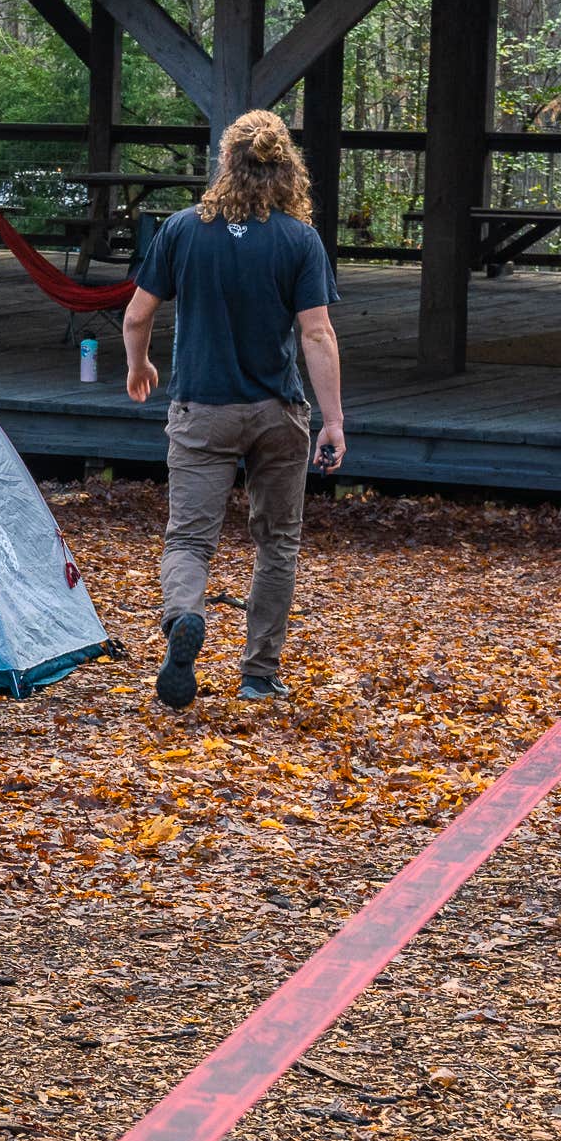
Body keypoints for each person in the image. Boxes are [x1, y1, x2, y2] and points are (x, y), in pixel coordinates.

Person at [123, 109, 345, 708]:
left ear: (227, 163)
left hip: (203, 410)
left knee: (190, 541)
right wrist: (333, 420)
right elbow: (317, 334)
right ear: (285, 169)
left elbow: (138, 314)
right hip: (277, 411)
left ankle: (184, 619)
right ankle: (258, 674)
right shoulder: (299, 239)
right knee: (278, 542)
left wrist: (139, 365)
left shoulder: (181, 229)